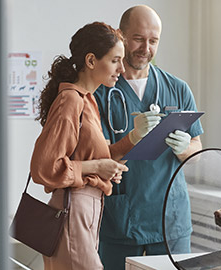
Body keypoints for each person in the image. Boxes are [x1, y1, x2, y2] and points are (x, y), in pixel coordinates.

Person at [30, 21, 151, 270]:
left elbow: (102, 156)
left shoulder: (88, 101)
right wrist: (96, 166)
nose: (122, 68)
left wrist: (135, 138)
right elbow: (43, 167)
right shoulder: (71, 101)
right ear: (91, 61)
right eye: (115, 60)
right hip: (72, 211)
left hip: (85, 211)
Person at [94, 5, 204, 270]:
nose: (146, 48)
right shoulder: (100, 92)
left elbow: (198, 148)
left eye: (153, 41)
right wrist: (132, 137)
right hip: (120, 221)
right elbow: (94, 157)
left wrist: (184, 148)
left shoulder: (177, 89)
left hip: (170, 222)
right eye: (138, 39)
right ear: (121, 36)